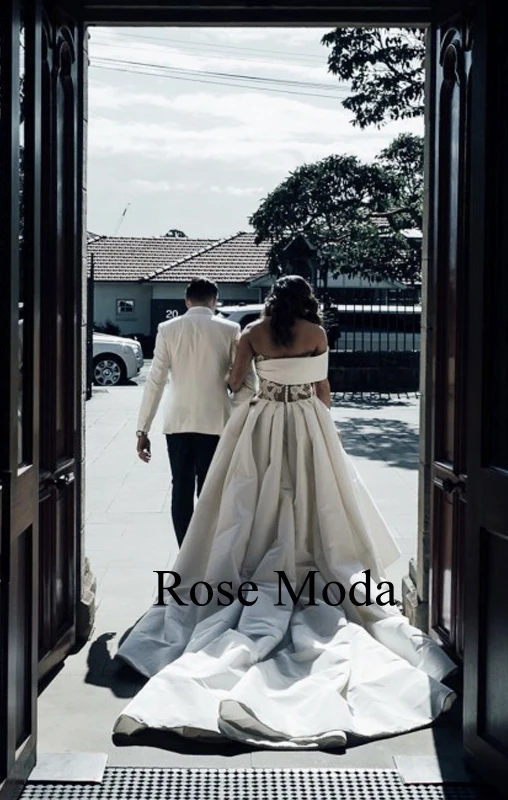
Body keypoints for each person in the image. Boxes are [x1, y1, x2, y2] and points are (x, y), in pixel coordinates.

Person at [113, 275, 457, 750]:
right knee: (320, 493)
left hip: (265, 418)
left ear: (274, 299)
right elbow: (322, 386)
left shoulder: (252, 332)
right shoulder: (316, 334)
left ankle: (252, 561)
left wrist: (253, 379)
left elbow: (235, 382)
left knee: (249, 498)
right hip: (308, 419)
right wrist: (323, 427)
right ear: (306, 301)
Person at [136, 276, 256, 546]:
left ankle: (184, 551)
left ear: (186, 300)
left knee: (180, 488)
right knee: (211, 491)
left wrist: (143, 428)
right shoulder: (230, 329)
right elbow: (248, 383)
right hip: (216, 422)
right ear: (214, 301)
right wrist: (234, 409)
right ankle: (207, 551)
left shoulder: (167, 329)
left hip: (178, 421)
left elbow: (155, 381)